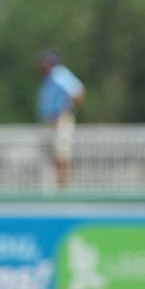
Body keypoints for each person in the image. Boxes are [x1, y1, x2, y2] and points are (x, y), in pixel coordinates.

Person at [36, 49, 85, 189]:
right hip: (50, 121)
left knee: (61, 153)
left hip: (59, 120)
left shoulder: (59, 74)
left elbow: (78, 91)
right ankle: (56, 185)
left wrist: (65, 110)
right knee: (52, 154)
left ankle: (63, 187)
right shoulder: (49, 78)